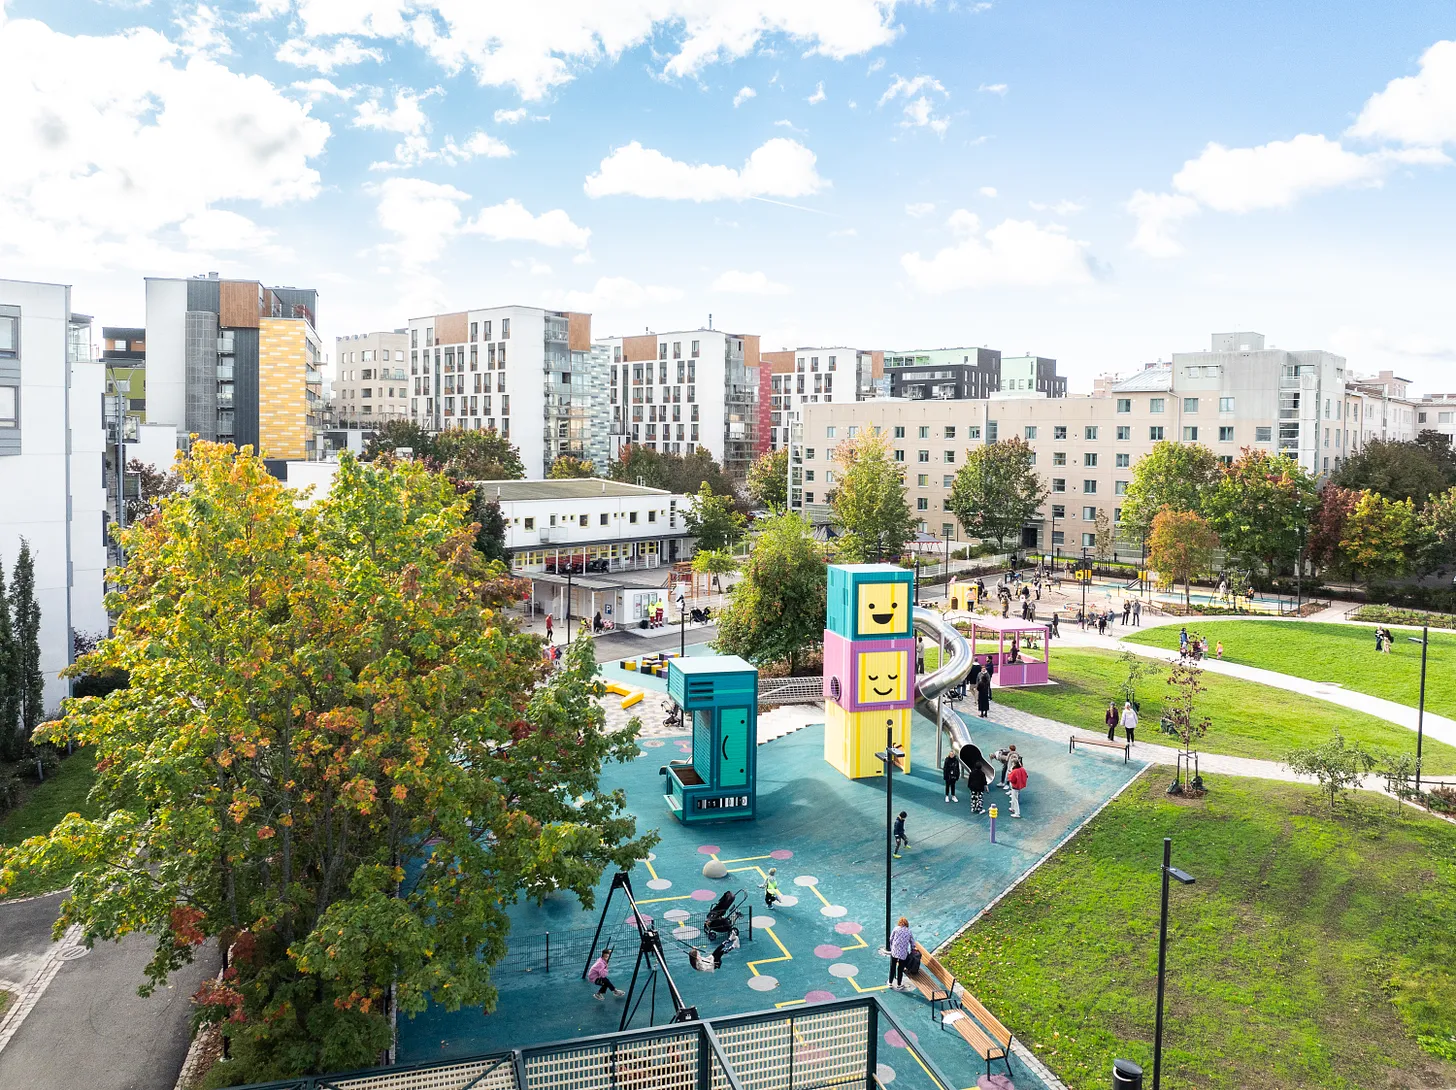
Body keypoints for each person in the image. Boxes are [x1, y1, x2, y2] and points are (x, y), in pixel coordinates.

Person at [888, 916, 915, 991]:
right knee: (900, 969)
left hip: (894, 951)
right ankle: (899, 984)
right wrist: (912, 949)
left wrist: (892, 947)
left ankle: (890, 982)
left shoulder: (896, 929)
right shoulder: (909, 931)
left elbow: (891, 939)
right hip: (903, 953)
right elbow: (912, 942)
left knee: (892, 966)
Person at [965, 746, 989, 815]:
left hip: (973, 787)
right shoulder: (982, 773)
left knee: (973, 797)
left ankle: (973, 808)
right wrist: (986, 787)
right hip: (980, 788)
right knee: (979, 798)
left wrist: (969, 786)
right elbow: (984, 781)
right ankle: (979, 809)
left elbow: (970, 779)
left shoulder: (972, 772)